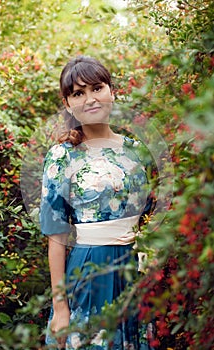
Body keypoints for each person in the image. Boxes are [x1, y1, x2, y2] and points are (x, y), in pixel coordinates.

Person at [40, 56, 155, 349]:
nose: (90, 99)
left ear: (111, 91)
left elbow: (148, 215)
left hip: (133, 271)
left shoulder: (136, 150)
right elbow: (56, 235)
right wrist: (61, 306)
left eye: (96, 88)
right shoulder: (63, 156)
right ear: (68, 104)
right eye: (78, 93)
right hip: (89, 270)